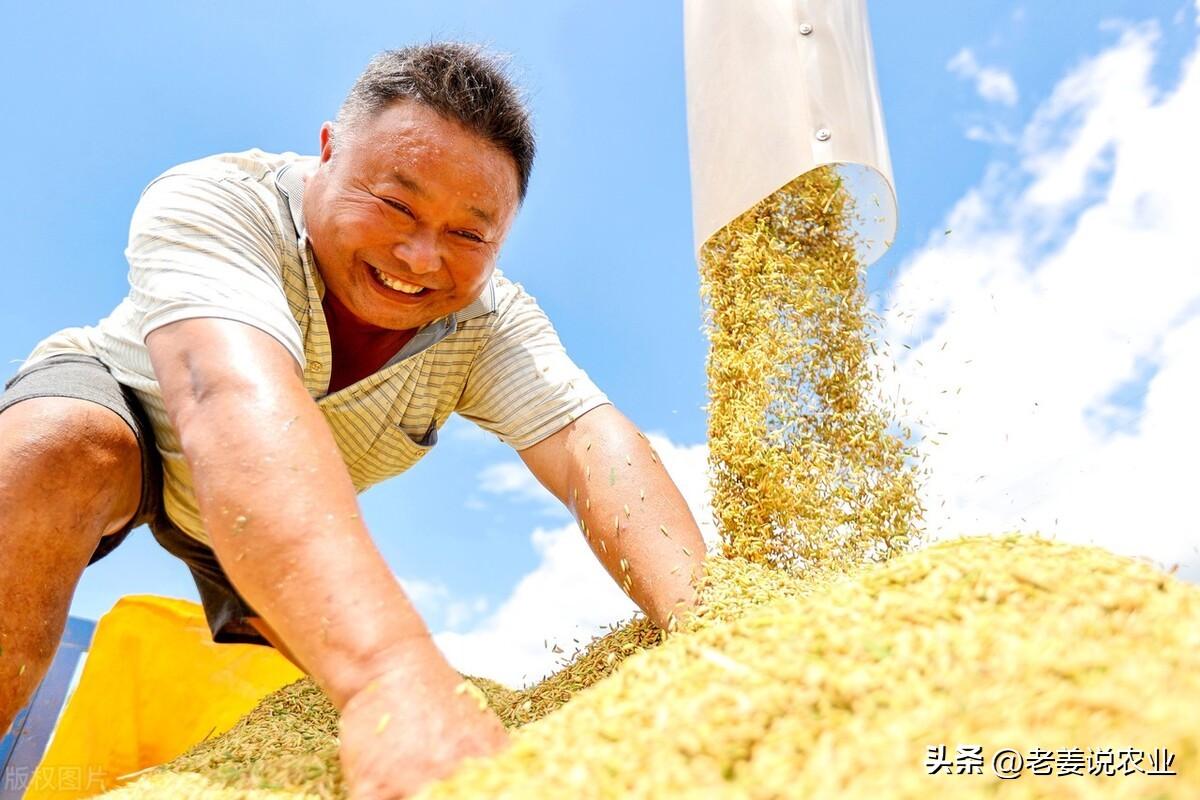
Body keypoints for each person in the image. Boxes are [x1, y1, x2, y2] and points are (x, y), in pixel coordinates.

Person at [0, 43, 707, 798]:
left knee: (337, 720)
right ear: (330, 151)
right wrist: (388, 676)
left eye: (469, 235)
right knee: (60, 448)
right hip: (144, 420)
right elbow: (226, 399)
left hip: (262, 516)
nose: (419, 255)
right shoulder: (220, 203)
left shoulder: (491, 323)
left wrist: (708, 625)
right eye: (396, 204)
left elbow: (585, 443)